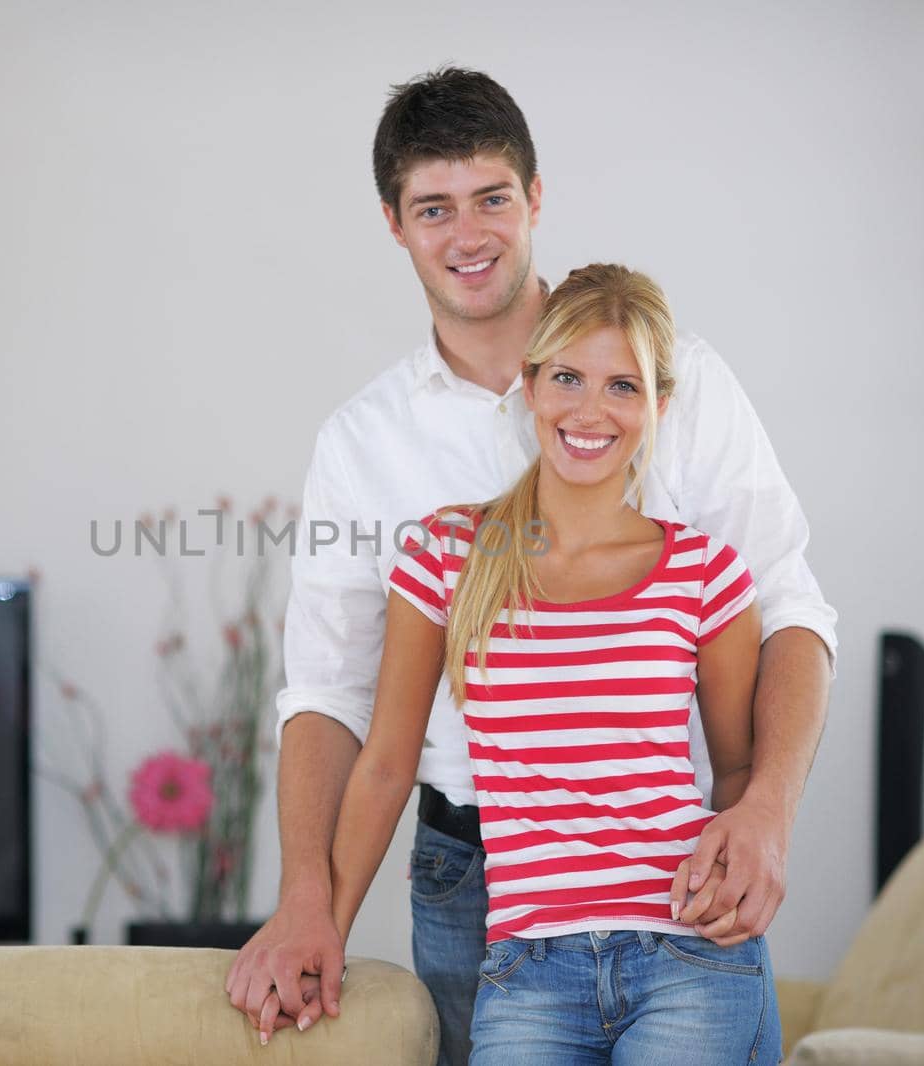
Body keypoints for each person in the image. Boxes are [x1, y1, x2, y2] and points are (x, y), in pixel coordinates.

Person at [224, 68, 834, 1065]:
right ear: (394, 223)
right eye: (433, 208)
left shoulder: (680, 383)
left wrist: (762, 812)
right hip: (475, 875)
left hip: (668, 877)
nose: (469, 234)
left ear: (535, 196)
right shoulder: (364, 446)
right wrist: (308, 900)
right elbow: (332, 697)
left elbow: (787, 606)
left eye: (492, 198)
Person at [328, 263, 782, 1064]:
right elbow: (385, 765)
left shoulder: (707, 574)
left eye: (623, 386)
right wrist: (320, 924)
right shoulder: (448, 554)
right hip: (527, 973)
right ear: (529, 388)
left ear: (657, 409)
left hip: (689, 959)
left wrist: (743, 885)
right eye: (568, 377)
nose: (589, 410)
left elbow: (739, 777)